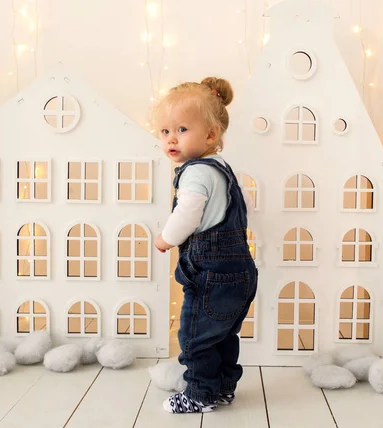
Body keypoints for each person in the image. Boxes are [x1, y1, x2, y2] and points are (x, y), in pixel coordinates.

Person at [153, 78, 257, 414]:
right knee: (223, 334)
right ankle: (223, 388)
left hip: (212, 273)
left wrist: (165, 239)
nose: (171, 138)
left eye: (182, 129)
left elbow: (187, 213)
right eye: (165, 131)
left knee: (195, 336)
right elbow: (246, 208)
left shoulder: (196, 174)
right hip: (241, 268)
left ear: (210, 135)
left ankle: (199, 393)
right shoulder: (223, 169)